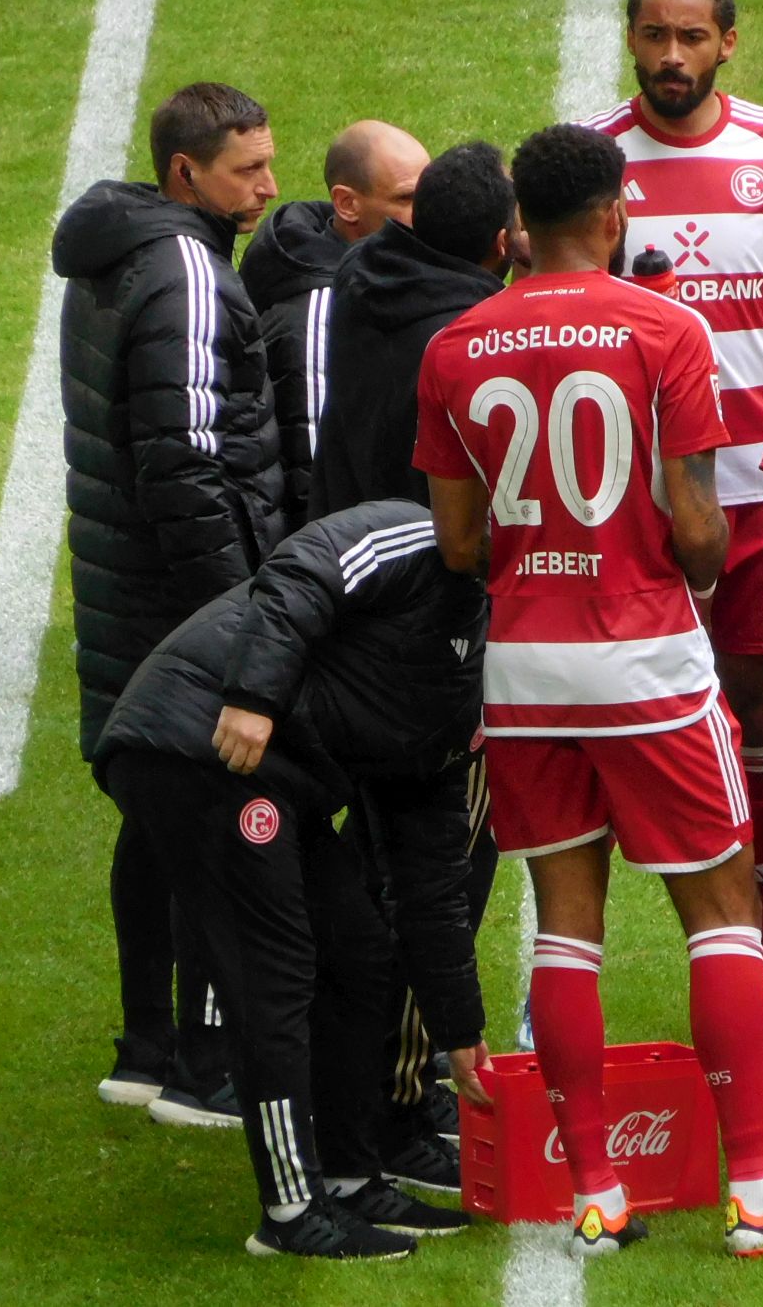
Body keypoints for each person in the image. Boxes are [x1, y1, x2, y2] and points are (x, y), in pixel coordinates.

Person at [412, 123, 763, 1259]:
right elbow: (702, 526)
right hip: (647, 662)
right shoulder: (667, 328)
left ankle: (596, 1196)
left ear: (516, 228)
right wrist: (687, 567)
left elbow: (458, 543)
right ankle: (759, 1197)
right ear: (616, 216)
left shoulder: (456, 345)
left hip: (525, 671)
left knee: (566, 932)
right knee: (720, 920)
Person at [96, 497, 487, 1257]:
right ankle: (289, 1212)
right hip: (198, 740)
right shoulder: (412, 537)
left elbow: (433, 887)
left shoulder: (458, 725)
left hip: (278, 775)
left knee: (359, 950)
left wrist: (460, 1030)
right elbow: (300, 572)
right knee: (276, 974)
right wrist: (252, 696)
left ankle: (349, 1174)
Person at [581, 0, 763, 1009]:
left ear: (727, 42)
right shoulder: (594, 155)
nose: (671, 56)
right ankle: (577, 954)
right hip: (638, 498)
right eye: (654, 35)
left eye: (691, 37)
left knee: (760, 712)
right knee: (611, 717)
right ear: (631, 40)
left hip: (756, 493)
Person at [54, 80, 285, 1124]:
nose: (267, 188)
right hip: (177, 604)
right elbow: (184, 464)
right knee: (207, 827)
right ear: (186, 173)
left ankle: (144, 1048)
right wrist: (243, 619)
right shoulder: (187, 270)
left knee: (152, 824)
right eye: (249, 170)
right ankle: (203, 1067)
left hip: (125, 591)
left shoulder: (117, 256)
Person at [304, 139, 518, 1189]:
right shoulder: (467, 343)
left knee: (383, 866)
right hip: (427, 634)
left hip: (349, 607)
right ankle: (393, 1102)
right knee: (437, 869)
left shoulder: (361, 282)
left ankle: (372, 1085)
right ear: (498, 243)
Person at [309, 141, 516, 517]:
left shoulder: (359, 270)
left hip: (345, 527)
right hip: (421, 538)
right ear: (502, 243)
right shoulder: (470, 343)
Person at [240, 122, 431, 529]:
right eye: (407, 198)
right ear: (347, 204)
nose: (429, 212)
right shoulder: (323, 311)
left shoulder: (385, 275)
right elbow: (314, 471)